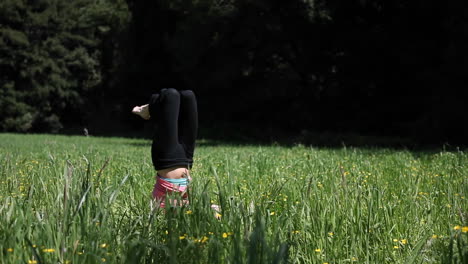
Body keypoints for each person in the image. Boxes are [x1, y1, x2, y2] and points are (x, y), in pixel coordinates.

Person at [132, 88, 198, 208]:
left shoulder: (161, 209)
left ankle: (148, 109)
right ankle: (153, 105)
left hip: (166, 160)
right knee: (188, 96)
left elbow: (173, 206)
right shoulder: (189, 210)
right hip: (186, 161)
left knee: (170, 95)